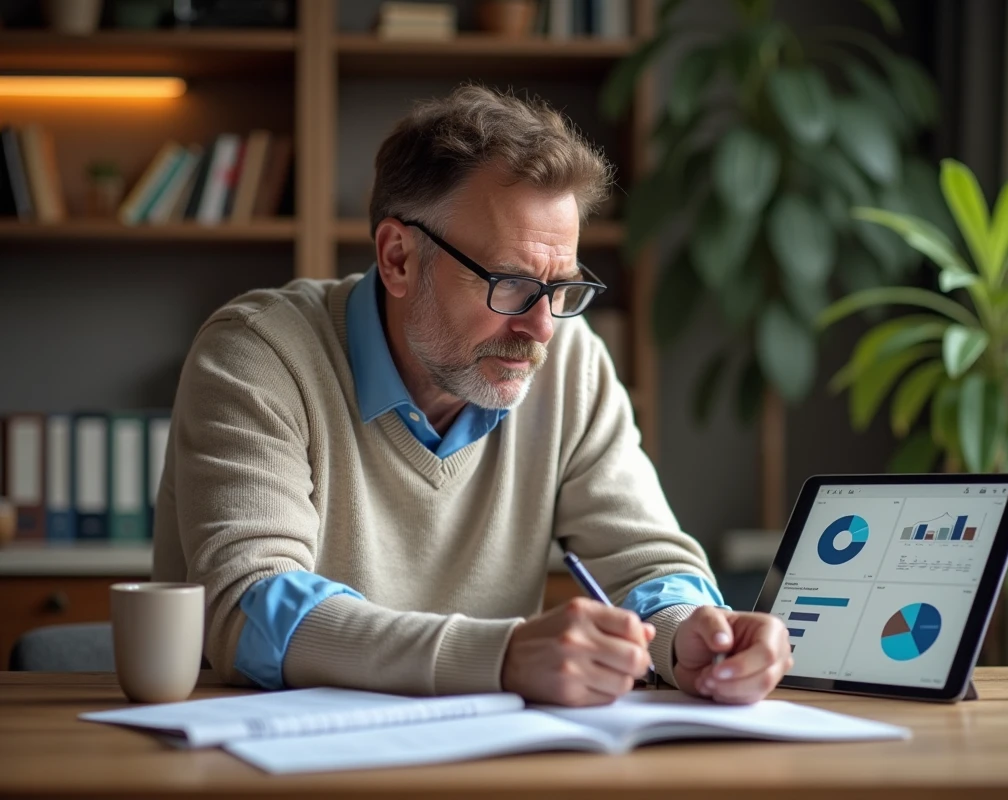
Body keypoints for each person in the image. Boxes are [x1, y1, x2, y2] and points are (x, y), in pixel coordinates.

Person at [153, 85, 791, 706]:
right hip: (283, 764)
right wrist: (502, 658)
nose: (541, 328)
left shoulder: (569, 359)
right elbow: (250, 609)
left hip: (492, 762)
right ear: (398, 258)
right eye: (511, 284)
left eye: (561, 288)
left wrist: (692, 635)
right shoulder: (259, 354)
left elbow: (643, 556)